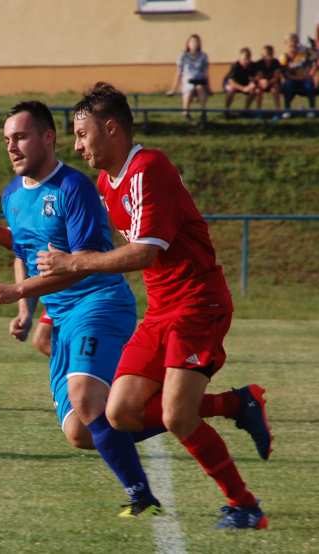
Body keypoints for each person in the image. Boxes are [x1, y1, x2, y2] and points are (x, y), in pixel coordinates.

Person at [36, 83, 272, 529]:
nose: (77, 144)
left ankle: (245, 506)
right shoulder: (108, 182)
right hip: (160, 310)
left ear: (111, 129)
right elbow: (115, 256)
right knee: (121, 412)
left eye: (82, 133)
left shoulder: (149, 168)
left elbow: (144, 252)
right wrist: (50, 301)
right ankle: (237, 404)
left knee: (176, 416)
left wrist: (76, 260)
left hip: (196, 304)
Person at [0, 101, 164, 517]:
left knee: (85, 399)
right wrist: (26, 307)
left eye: (21, 137)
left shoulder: (74, 188)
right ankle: (192, 407)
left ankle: (141, 496)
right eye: (7, 139)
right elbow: (23, 250)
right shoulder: (11, 195)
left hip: (98, 300)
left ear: (47, 137)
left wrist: (16, 290)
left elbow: (77, 265)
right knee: (80, 432)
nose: (12, 147)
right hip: (59, 313)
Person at [0, 199, 51, 357]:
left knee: (44, 340)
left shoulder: (69, 190)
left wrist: (17, 291)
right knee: (45, 342)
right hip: (60, 296)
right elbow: (23, 257)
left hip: (87, 291)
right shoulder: (19, 196)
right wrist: (24, 312)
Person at [168, 34, 210, 119]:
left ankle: (203, 112)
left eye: (196, 42)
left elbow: (206, 73)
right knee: (190, 88)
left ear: (199, 44)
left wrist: (209, 88)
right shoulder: (183, 56)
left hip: (199, 80)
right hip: (187, 80)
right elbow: (179, 72)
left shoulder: (203, 56)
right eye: (192, 42)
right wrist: (173, 89)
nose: (194, 44)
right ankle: (185, 112)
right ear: (188, 44)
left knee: (200, 88)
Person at [279, 33, 317, 118]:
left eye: (295, 43)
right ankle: (287, 110)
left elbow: (315, 61)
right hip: (292, 80)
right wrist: (298, 78)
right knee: (288, 85)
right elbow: (285, 74)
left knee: (309, 85)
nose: (293, 46)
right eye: (291, 44)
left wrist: (311, 73)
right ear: (286, 44)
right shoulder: (283, 57)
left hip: (305, 79)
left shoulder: (304, 53)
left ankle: (312, 110)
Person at [223, 48, 259, 115]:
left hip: (244, 83)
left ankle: (246, 110)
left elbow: (256, 78)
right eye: (244, 59)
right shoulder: (235, 66)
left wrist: (252, 84)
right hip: (231, 83)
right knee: (231, 90)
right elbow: (231, 82)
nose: (246, 61)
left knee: (254, 90)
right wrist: (243, 88)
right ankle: (226, 110)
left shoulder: (253, 65)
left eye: (248, 58)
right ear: (240, 58)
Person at [253, 45, 283, 112]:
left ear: (272, 54)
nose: (266, 56)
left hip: (273, 83)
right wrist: (262, 82)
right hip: (262, 83)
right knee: (258, 91)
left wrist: (268, 82)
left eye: (269, 54)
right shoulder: (259, 63)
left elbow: (276, 77)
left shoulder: (276, 62)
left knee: (274, 89)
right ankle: (258, 111)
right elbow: (258, 77)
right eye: (264, 54)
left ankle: (278, 110)